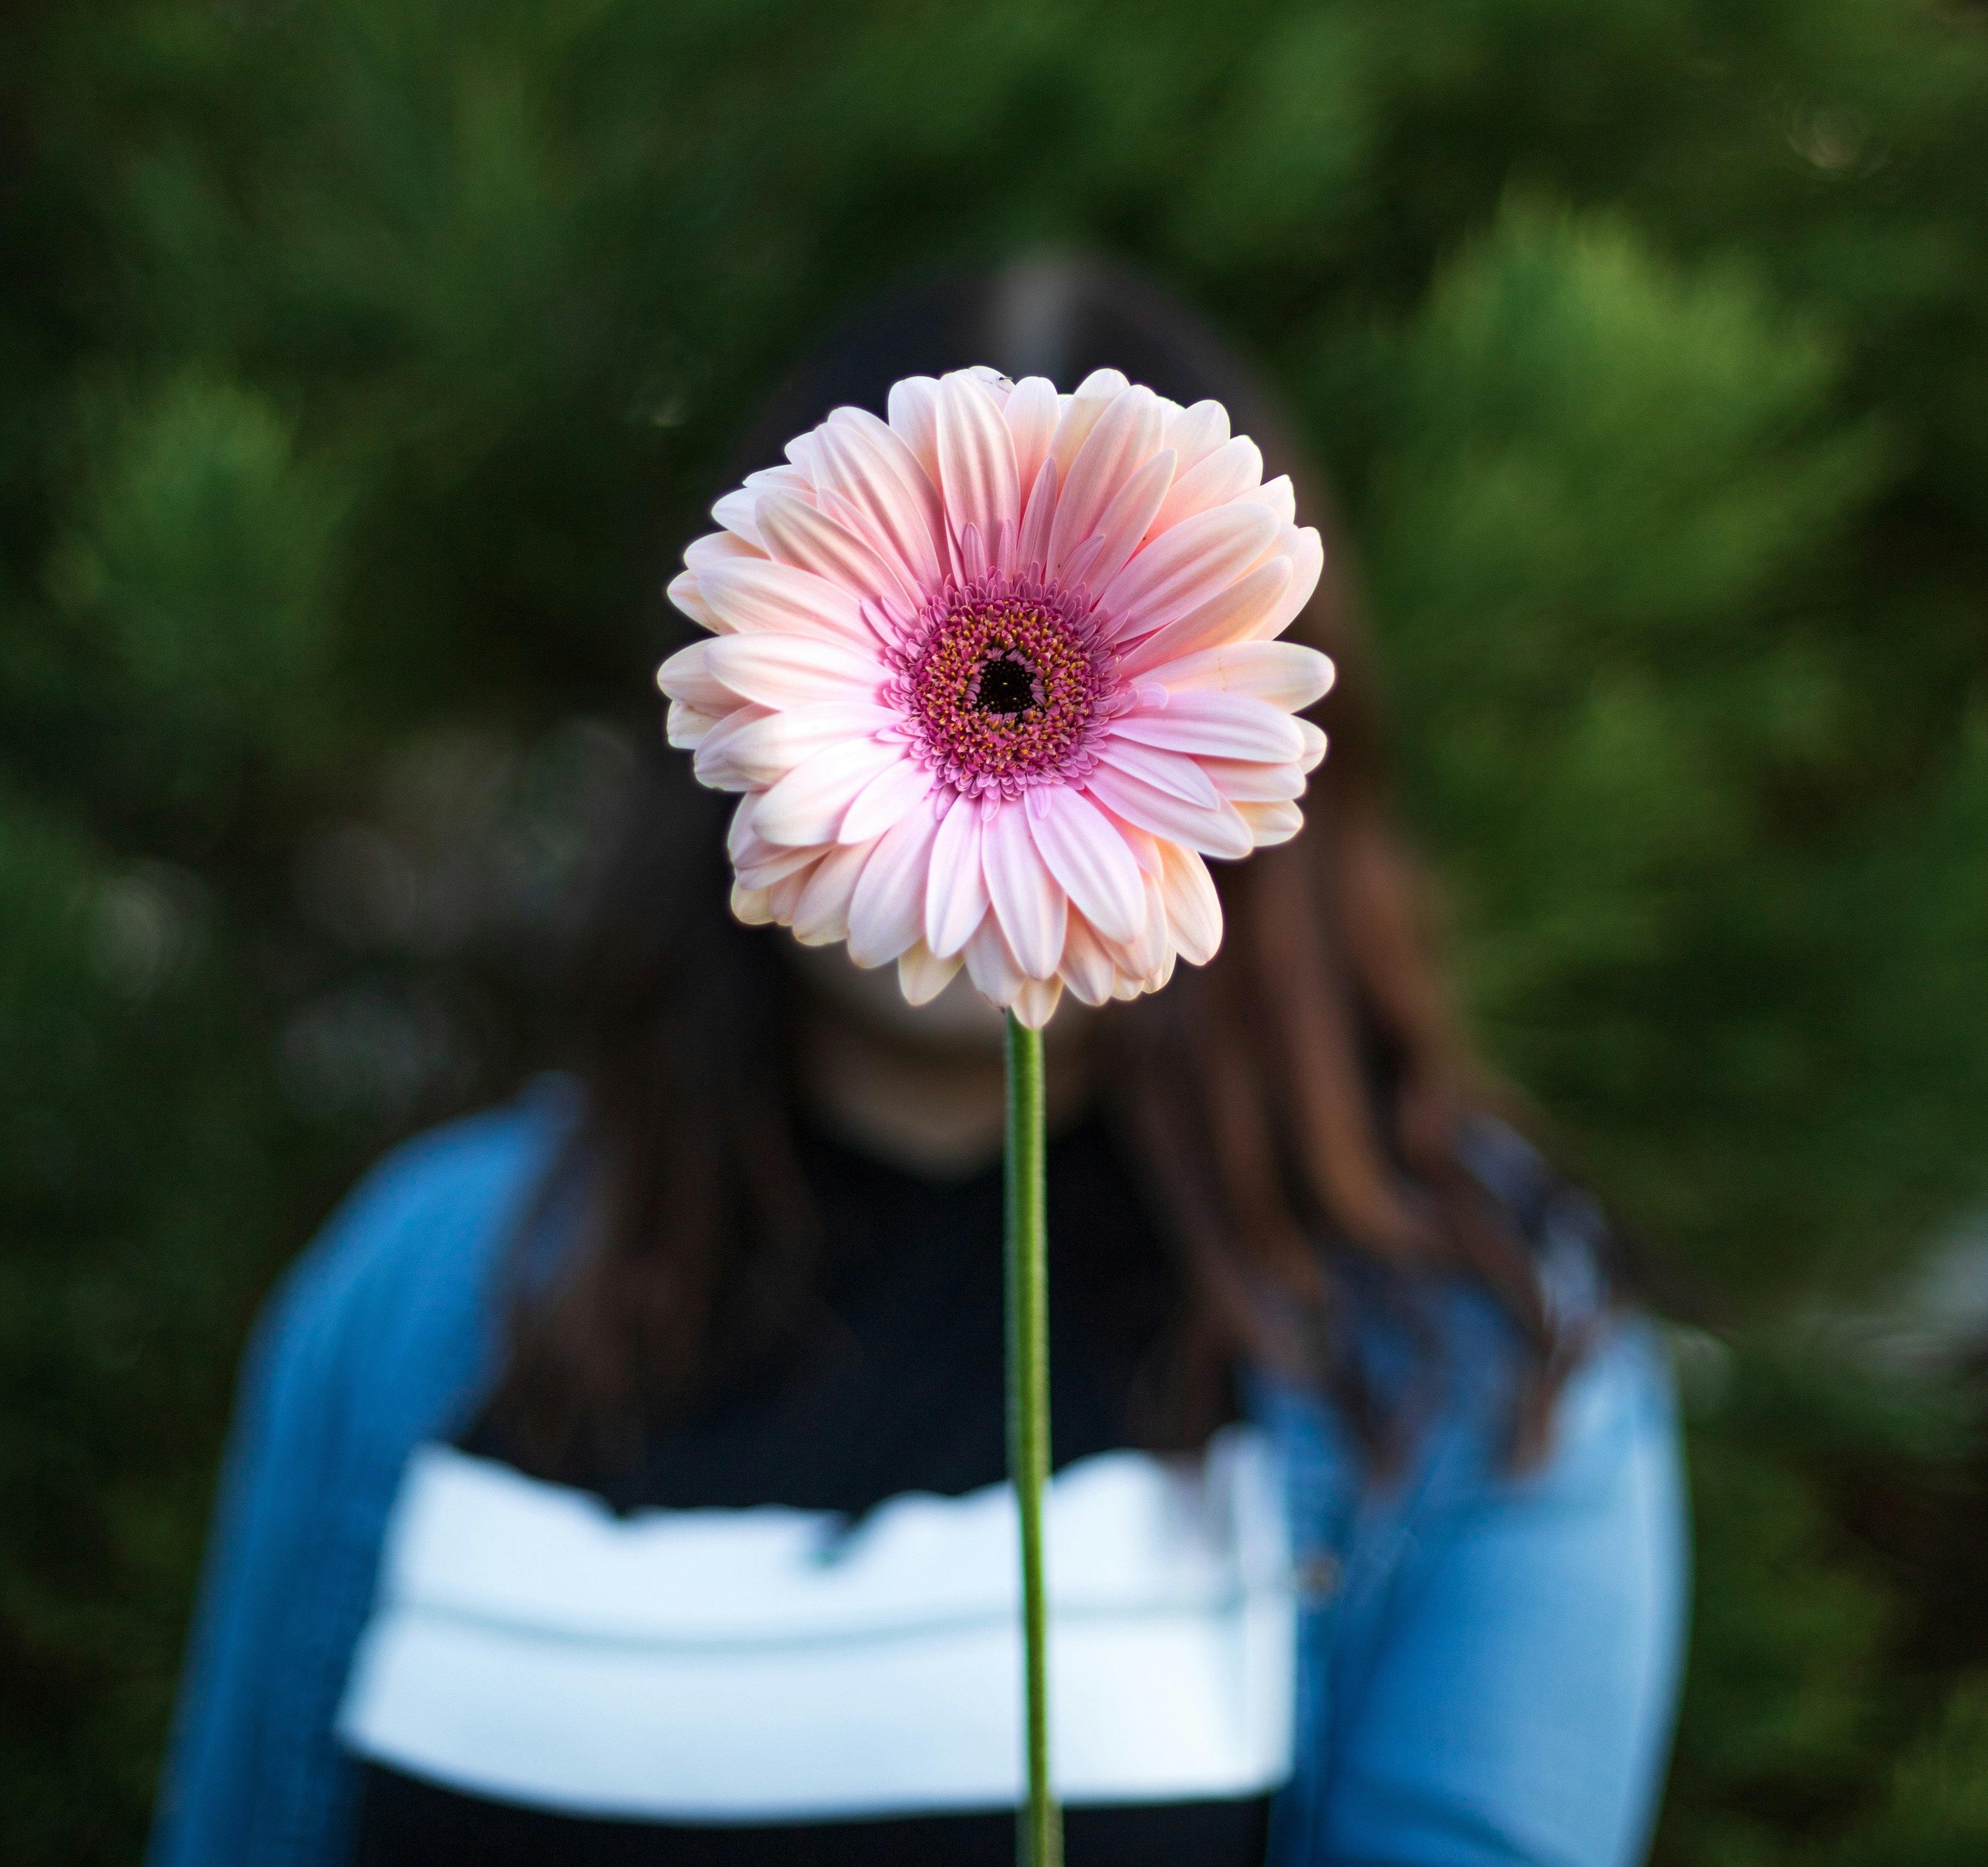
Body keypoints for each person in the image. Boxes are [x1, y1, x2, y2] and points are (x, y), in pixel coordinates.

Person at [147, 260, 1687, 1867]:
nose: (1003, 762)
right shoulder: (420, 1285)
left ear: (1245, 743)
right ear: (744, 722)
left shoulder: (1475, 1345)